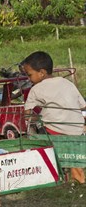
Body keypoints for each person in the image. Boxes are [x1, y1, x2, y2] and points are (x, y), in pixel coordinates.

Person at [22, 51, 85, 183]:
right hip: (77, 130)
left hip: (55, 132)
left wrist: (36, 118)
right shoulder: (67, 83)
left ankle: (46, 170)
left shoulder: (36, 89)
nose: (29, 79)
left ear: (41, 73)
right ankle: (77, 175)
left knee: (37, 129)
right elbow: (82, 106)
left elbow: (26, 115)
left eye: (29, 75)